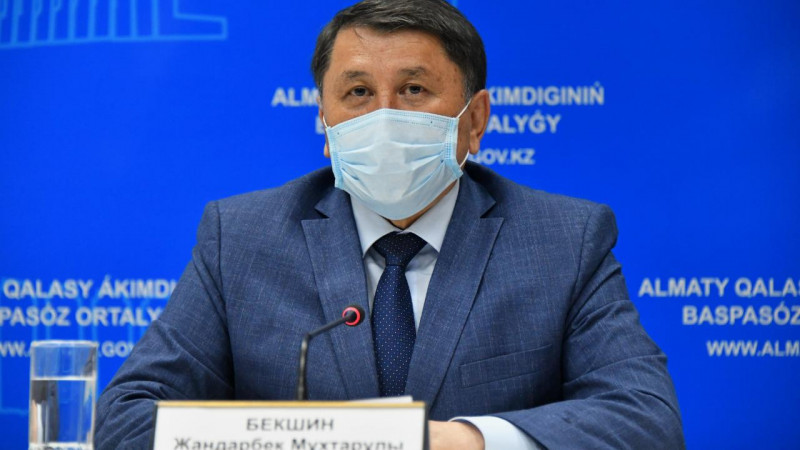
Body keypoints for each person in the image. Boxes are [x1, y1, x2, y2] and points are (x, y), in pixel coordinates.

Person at [96, 0, 684, 448]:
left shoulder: (563, 240)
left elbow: (643, 420)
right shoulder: (242, 237)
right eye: (357, 92)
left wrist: (463, 441)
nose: (382, 116)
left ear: (475, 120)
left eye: (413, 89)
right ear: (325, 123)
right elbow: (127, 417)